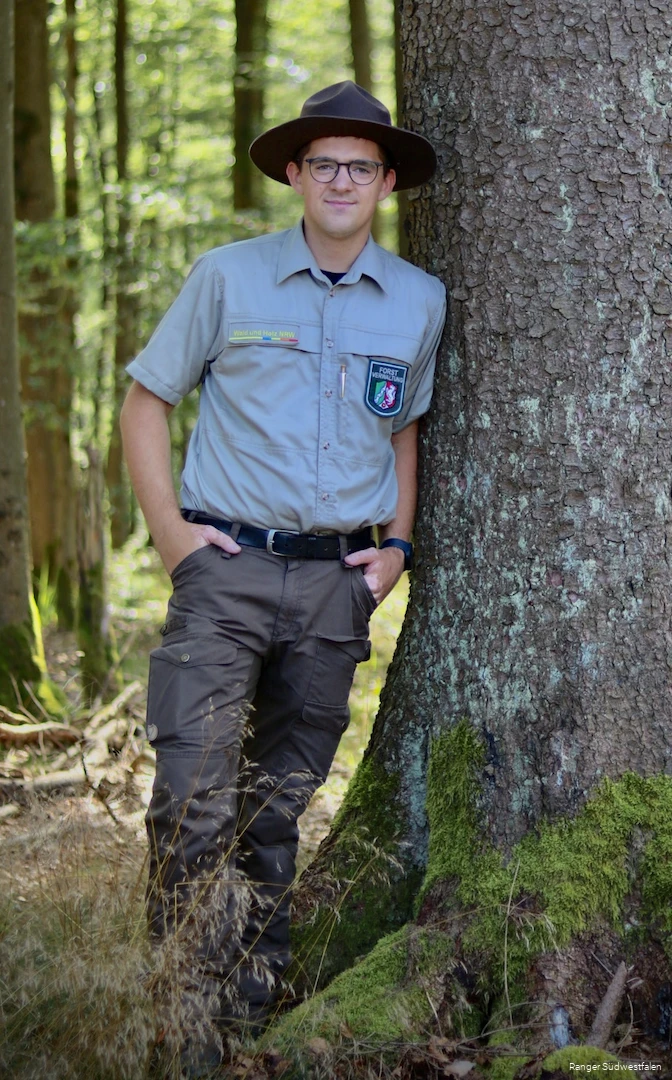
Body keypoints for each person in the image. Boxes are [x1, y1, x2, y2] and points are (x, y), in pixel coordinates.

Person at [120, 80, 446, 1076]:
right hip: (224, 572)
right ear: (295, 175)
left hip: (333, 590)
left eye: (361, 166)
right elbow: (146, 402)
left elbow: (404, 430)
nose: (341, 181)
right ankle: (174, 1012)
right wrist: (174, 539)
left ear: (386, 181)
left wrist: (395, 548)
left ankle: (250, 1027)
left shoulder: (419, 301)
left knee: (274, 815)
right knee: (192, 801)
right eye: (323, 165)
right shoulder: (228, 278)